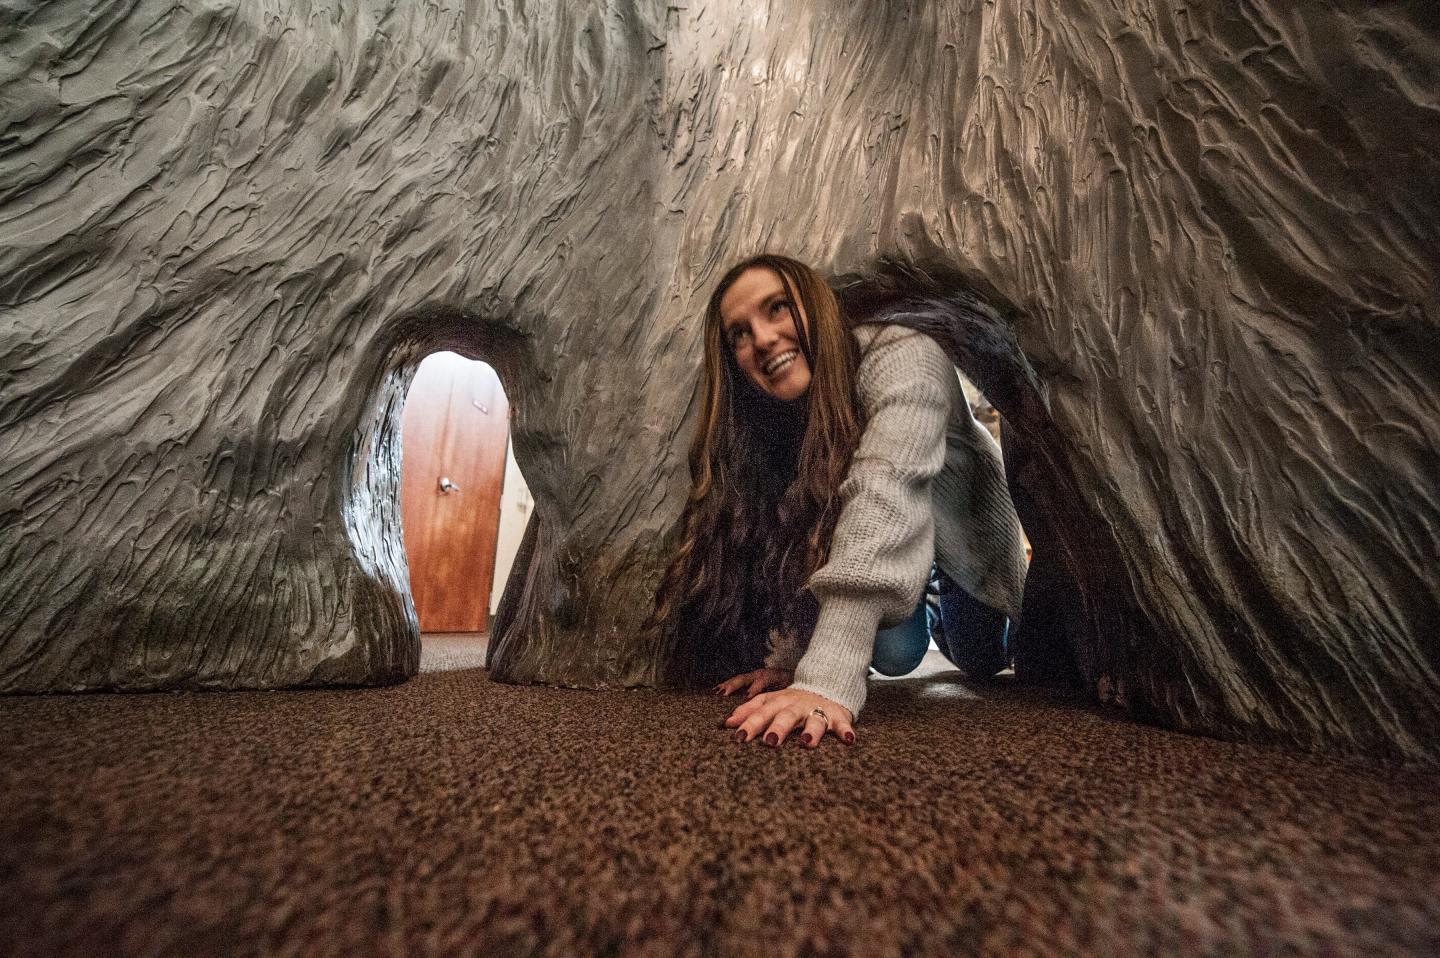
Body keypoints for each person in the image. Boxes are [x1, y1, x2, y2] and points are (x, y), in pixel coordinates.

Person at [646, 254, 1028, 748]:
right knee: (897, 655)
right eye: (739, 333)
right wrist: (792, 661)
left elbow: (885, 489)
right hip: (871, 534)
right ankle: (909, 583)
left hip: (959, 530)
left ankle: (928, 579)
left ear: (819, 306)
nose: (761, 339)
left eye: (778, 308)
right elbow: (792, 529)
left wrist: (825, 681)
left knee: (981, 657)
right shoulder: (782, 408)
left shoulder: (903, 352)